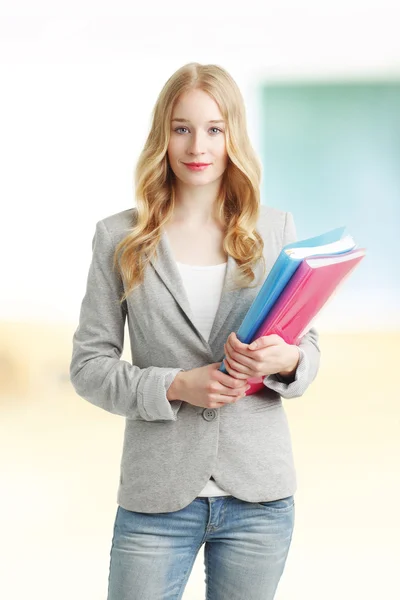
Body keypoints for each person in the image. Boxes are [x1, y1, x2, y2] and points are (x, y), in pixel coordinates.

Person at [69, 62, 321, 600]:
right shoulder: (119, 237)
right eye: (181, 128)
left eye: (214, 128)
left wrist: (286, 361)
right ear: (163, 135)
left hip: (259, 496)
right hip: (156, 496)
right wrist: (175, 385)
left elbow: (308, 349)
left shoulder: (275, 229)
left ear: (234, 135)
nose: (196, 145)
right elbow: (89, 367)